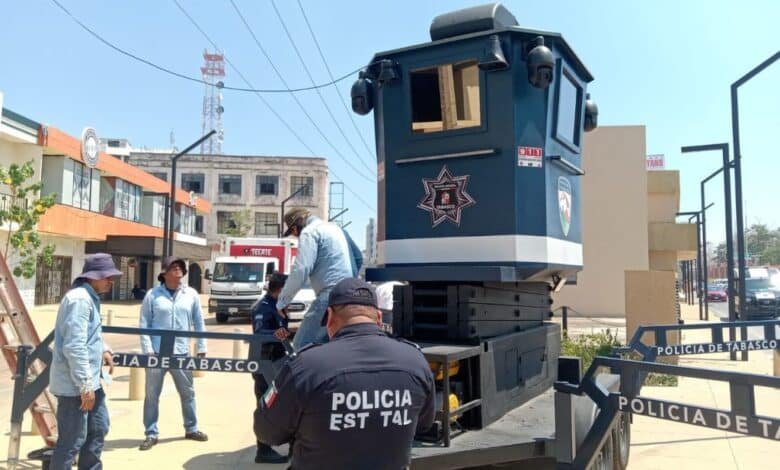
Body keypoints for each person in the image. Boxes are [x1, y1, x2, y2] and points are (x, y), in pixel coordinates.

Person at [254, 278, 436, 469]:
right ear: (379, 318)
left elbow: (266, 431)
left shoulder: (306, 366)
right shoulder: (415, 361)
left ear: (330, 317)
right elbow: (424, 424)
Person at [50, 253, 121, 470]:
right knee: (71, 441)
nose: (111, 281)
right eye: (107, 276)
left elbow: (89, 337)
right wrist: (85, 386)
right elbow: (74, 345)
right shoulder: (80, 300)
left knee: (98, 429)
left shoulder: (89, 298)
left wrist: (104, 350)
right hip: (76, 387)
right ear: (93, 277)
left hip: (91, 382)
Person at [138, 256, 208, 451]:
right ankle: (151, 433)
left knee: (188, 393)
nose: (178, 270)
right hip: (157, 354)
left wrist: (201, 346)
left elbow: (199, 322)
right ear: (164, 273)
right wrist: (148, 350)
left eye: (180, 267)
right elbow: (144, 324)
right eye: (173, 267)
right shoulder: (153, 295)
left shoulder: (191, 294)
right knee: (152, 396)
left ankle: (191, 428)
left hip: (181, 353)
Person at [278, 207, 363, 349]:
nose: (295, 236)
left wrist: (283, 301)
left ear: (295, 227)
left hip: (330, 296)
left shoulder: (309, 232)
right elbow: (358, 258)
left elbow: (301, 269)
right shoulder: (337, 229)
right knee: (336, 346)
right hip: (353, 294)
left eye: (293, 232)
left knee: (301, 346)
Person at [250, 271, 290, 464]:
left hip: (277, 361)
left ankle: (286, 442)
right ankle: (263, 449)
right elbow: (260, 332)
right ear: (280, 289)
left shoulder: (278, 305)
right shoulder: (263, 307)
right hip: (264, 363)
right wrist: (278, 332)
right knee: (265, 403)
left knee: (280, 402)